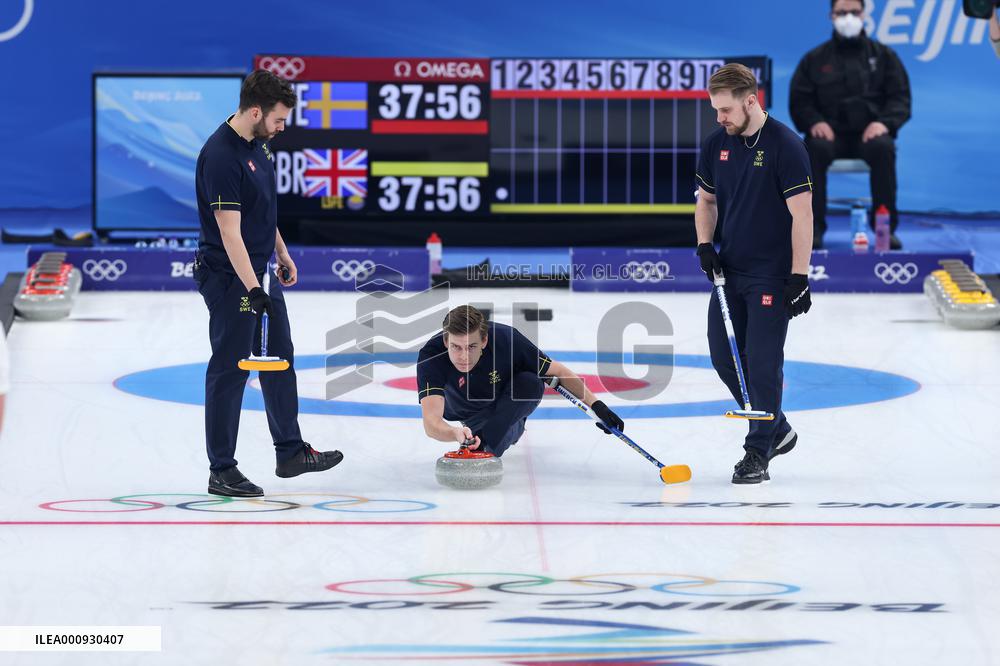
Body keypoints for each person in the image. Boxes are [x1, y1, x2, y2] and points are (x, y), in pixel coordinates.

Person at [194, 70, 342, 497]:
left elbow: (261, 211)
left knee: (280, 355)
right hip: (230, 276)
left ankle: (290, 451)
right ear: (256, 112)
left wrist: (281, 252)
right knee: (231, 367)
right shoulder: (221, 156)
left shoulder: (259, 144)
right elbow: (229, 232)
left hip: (258, 272)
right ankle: (221, 469)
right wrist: (253, 290)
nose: (282, 128)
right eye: (278, 120)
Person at [694, 63, 813, 484]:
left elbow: (802, 216)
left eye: (726, 110)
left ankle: (758, 450)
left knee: (762, 364)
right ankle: (777, 427)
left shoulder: (786, 146)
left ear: (750, 101)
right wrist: (705, 245)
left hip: (771, 276)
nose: (720, 118)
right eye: (715, 110)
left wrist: (799, 277)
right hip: (730, 272)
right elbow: (706, 202)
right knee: (723, 357)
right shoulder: (716, 144)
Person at [416, 305, 623, 457]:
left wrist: (597, 405)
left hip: (505, 406)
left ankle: (485, 445)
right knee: (488, 424)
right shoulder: (431, 355)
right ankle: (484, 435)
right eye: (456, 347)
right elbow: (431, 423)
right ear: (446, 341)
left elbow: (558, 371)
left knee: (531, 382)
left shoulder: (507, 339)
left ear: (484, 340)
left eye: (471, 347)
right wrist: (454, 432)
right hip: (465, 413)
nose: (464, 356)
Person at [789, 0, 911, 249]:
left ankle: (885, 230)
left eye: (854, 12)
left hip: (869, 135)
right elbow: (800, 101)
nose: (848, 18)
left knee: (884, 147)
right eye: (842, 12)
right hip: (830, 136)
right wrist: (815, 122)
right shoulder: (814, 59)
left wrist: (884, 123)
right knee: (812, 149)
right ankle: (813, 230)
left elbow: (900, 98)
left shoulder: (884, 56)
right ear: (831, 16)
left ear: (864, 15)